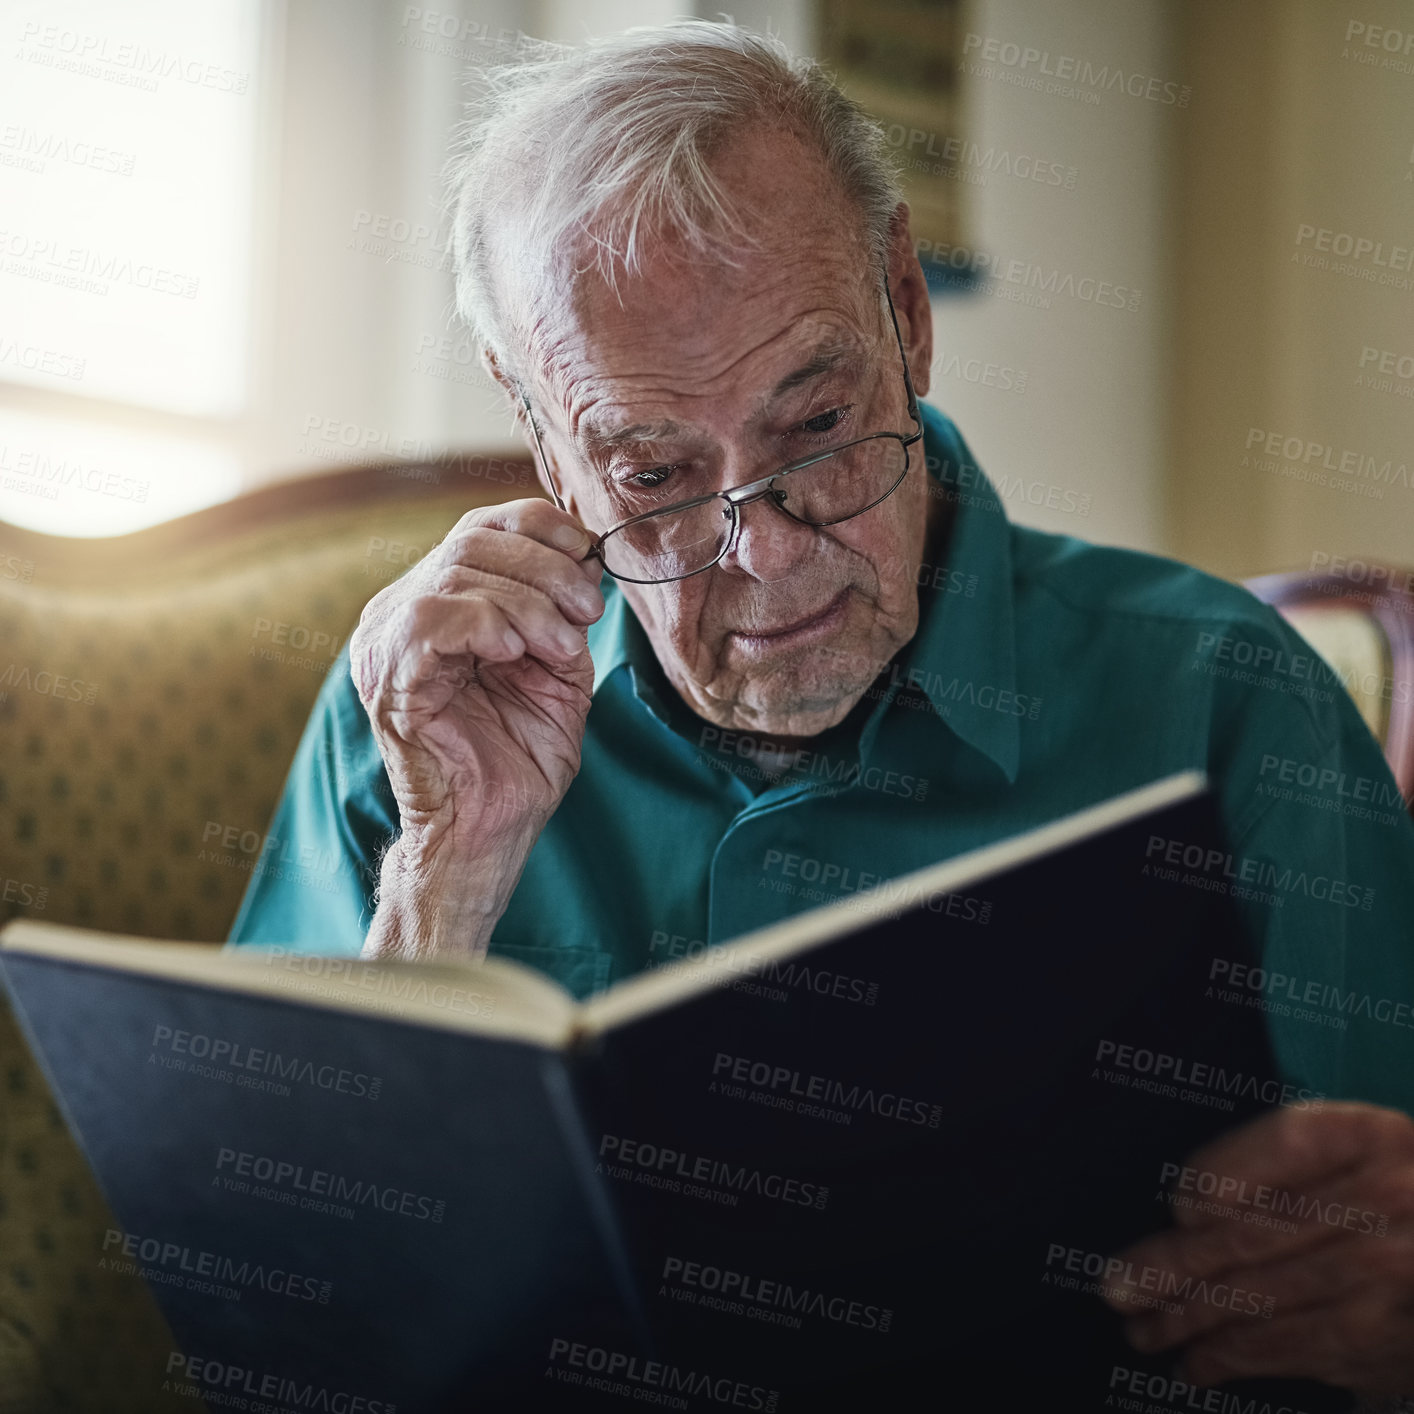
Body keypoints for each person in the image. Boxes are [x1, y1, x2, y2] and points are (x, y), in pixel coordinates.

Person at [228, 20, 1414, 1398]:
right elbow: (273, 1315)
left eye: (815, 428)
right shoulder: (421, 723)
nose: (769, 553)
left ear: (903, 307)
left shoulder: (1224, 698)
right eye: (657, 474)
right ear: (543, 435)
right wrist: (445, 880)